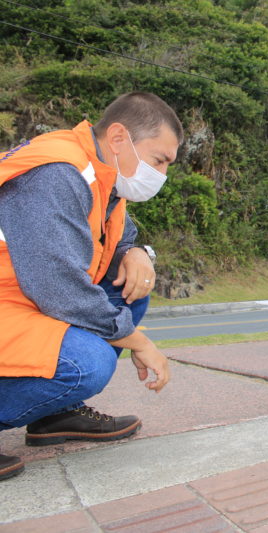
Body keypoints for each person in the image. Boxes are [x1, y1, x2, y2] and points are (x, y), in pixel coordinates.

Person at [0, 92, 181, 481]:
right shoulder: (58, 172)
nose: (162, 175)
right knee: (86, 364)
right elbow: (57, 287)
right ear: (119, 138)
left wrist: (135, 251)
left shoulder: (102, 176)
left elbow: (117, 234)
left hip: (20, 299)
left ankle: (53, 415)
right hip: (22, 297)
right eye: (159, 160)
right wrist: (137, 341)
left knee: (133, 285)